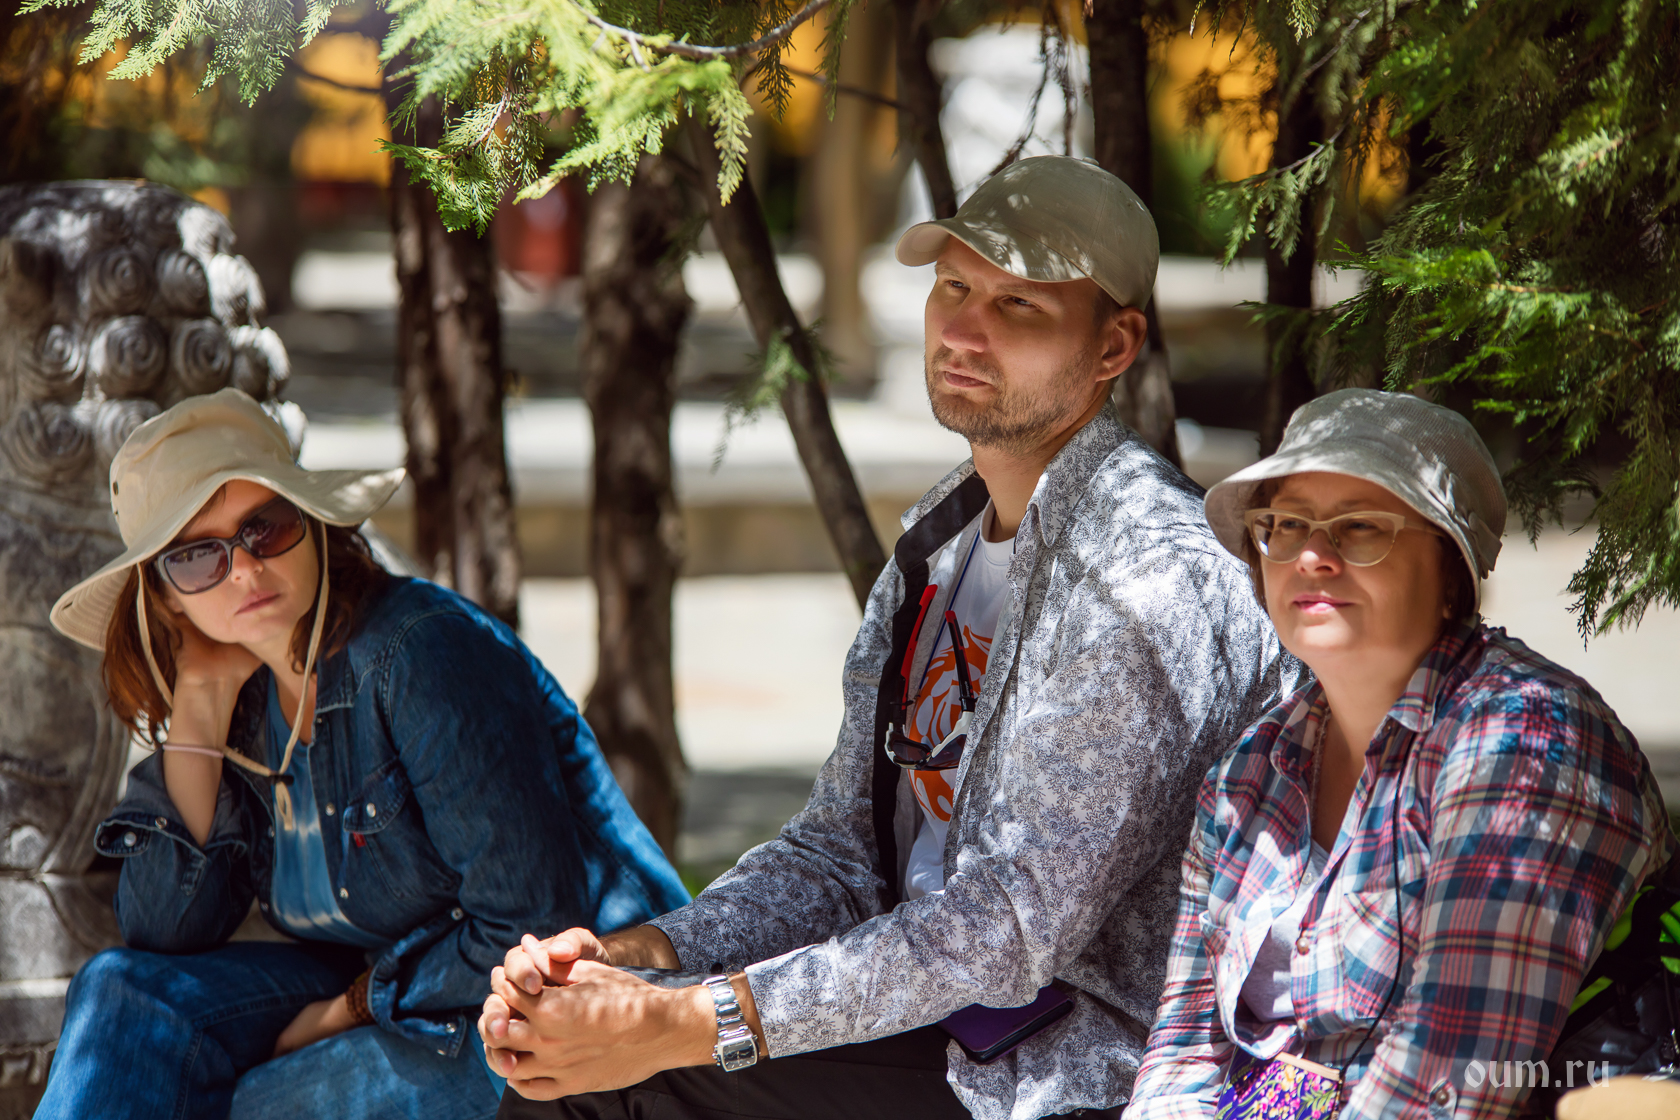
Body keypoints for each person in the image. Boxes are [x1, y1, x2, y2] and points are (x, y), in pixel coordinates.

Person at [479, 154, 1304, 1120]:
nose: (964, 329)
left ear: (1114, 347)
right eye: (953, 288)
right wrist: (646, 956)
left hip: (1070, 1064)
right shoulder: (940, 544)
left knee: (600, 1086)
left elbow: (1007, 931)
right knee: (558, 1052)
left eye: (1019, 304)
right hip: (932, 1015)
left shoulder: (1146, 578)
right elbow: (841, 854)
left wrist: (690, 1021)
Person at [34, 389, 689, 1120]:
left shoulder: (421, 654)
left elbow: (529, 927)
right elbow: (165, 930)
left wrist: (349, 1008)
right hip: (409, 987)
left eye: (264, 528)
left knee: (257, 1109)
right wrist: (198, 702)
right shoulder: (241, 699)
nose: (243, 570)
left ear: (310, 523)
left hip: (567, 1009)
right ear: (163, 597)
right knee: (124, 993)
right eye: (195, 558)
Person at [1126, 389, 1675, 1119]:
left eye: (1360, 528)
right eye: (1286, 526)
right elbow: (1183, 1052)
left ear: (1451, 573)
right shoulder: (1251, 772)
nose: (1312, 556)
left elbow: (1447, 1083)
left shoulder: (1526, 742)